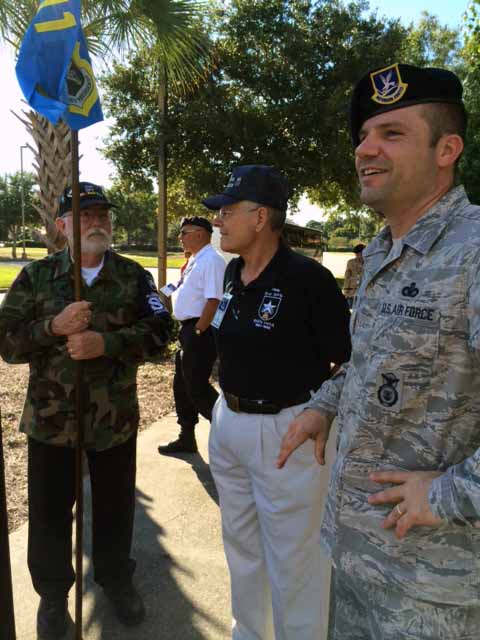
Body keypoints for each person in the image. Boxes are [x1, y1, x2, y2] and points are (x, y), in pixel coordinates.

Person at [277, 63, 480, 639]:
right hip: (358, 556)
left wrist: (447, 493)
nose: (366, 148)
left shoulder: (474, 250)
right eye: (364, 135)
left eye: (392, 134)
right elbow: (372, 359)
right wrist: (326, 404)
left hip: (436, 585)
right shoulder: (384, 251)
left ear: (448, 149)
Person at [0, 182, 173, 639]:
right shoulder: (36, 278)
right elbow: (6, 341)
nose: (96, 222)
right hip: (51, 421)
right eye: (83, 214)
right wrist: (52, 327)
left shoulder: (134, 277)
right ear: (62, 226)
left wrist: (107, 343)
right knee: (50, 513)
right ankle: (53, 597)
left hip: (113, 420)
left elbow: (161, 330)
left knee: (116, 509)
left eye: (102, 214)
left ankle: (116, 580)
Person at [202, 164, 351, 640]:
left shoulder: (309, 280)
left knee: (295, 559)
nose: (218, 222)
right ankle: (250, 633)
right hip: (231, 423)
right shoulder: (232, 270)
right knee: (242, 547)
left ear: (261, 217)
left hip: (288, 431)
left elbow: (350, 362)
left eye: (227, 212)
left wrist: (319, 411)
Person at [158, 216, 225, 454]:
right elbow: (180, 288)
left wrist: (198, 330)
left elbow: (214, 299)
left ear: (199, 234)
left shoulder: (212, 261)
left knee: (196, 386)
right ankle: (186, 435)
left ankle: (228, 432)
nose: (180, 237)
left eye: (183, 233)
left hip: (200, 330)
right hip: (189, 329)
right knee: (182, 384)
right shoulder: (196, 260)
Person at [343, 243, 365, 308]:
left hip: (364, 294)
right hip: (352, 293)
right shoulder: (350, 262)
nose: (357, 256)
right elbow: (347, 277)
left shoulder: (369, 263)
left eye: (359, 254)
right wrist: (346, 291)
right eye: (356, 254)